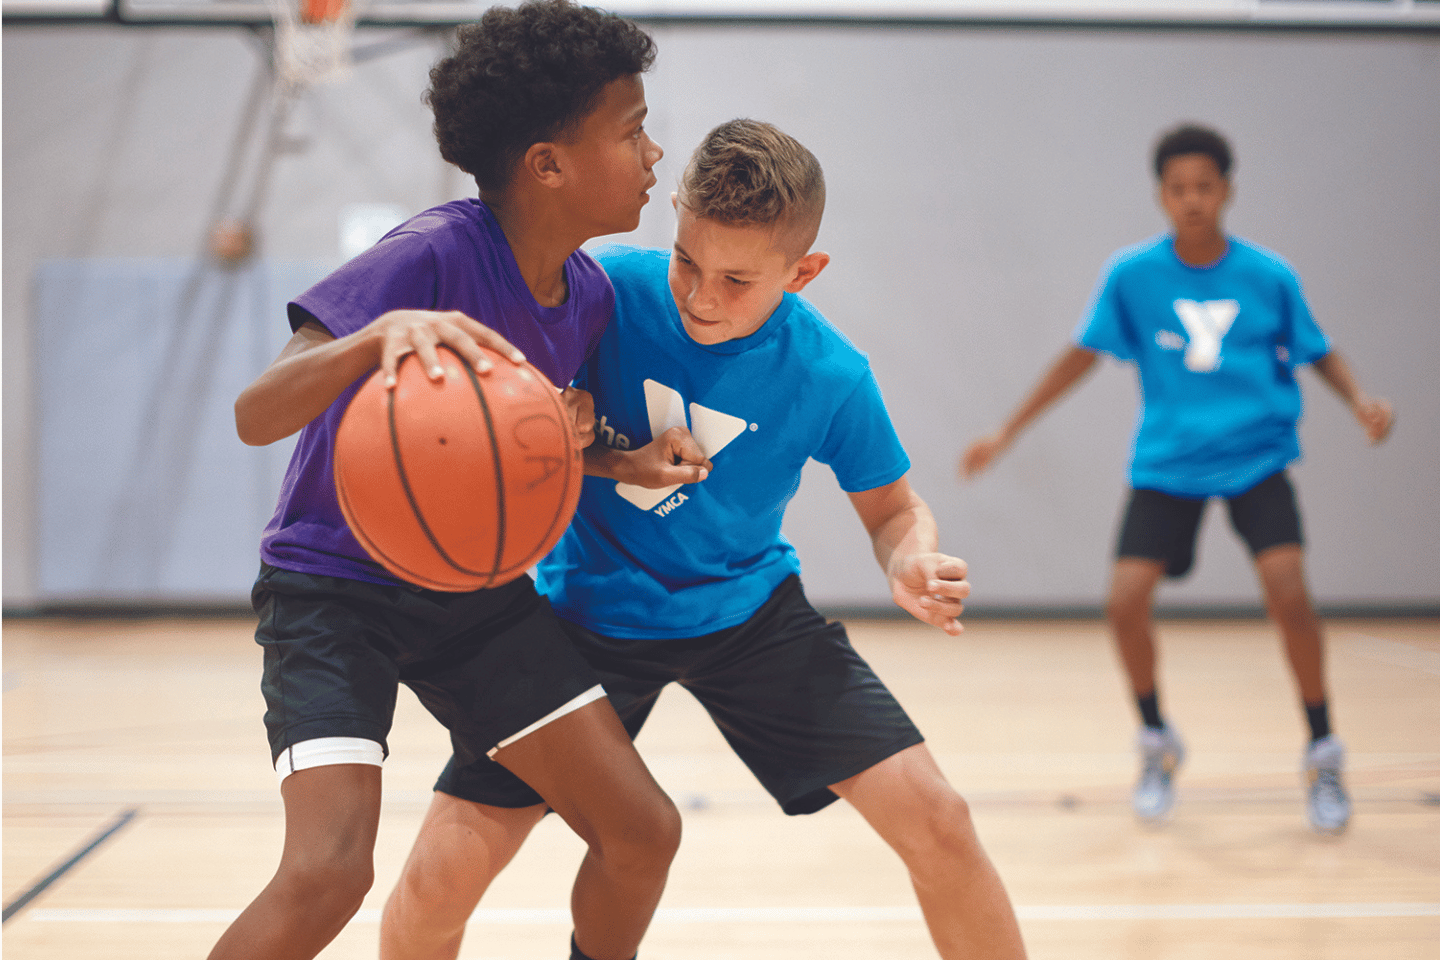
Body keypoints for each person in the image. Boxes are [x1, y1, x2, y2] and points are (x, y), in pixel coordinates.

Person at [379, 119, 1029, 960]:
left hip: (749, 617)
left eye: (737, 279)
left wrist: (911, 556)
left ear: (804, 273)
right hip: (580, 618)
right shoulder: (603, 293)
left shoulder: (831, 373)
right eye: (688, 260)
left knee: (941, 820)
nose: (699, 296)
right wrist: (553, 416)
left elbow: (895, 510)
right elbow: (500, 423)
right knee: (440, 875)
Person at [217, 4, 680, 960]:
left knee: (642, 831)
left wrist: (602, 456)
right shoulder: (430, 252)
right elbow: (257, 412)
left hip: (471, 593)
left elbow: (489, 453)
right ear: (547, 163)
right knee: (330, 874)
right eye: (632, 132)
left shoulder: (585, 295)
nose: (655, 152)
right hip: (334, 589)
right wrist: (371, 340)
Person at [960, 123, 1394, 834]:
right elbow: (1081, 356)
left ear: (1227, 190)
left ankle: (1322, 747)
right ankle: (1157, 740)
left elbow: (1319, 350)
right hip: (1169, 463)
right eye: (1178, 189)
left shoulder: (1269, 276)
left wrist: (1361, 401)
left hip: (1258, 456)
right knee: (1124, 602)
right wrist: (1008, 430)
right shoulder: (1133, 276)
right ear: (1162, 195)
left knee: (1289, 593)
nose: (1192, 201)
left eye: (1205, 187)